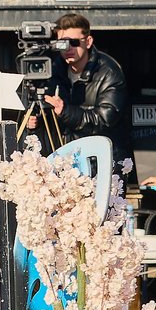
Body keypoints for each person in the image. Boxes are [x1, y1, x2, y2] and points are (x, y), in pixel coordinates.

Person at [26, 13, 136, 184]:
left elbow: (105, 120)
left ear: (88, 41)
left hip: (101, 164)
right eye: (62, 43)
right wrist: (35, 121)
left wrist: (65, 111)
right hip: (63, 161)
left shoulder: (109, 71)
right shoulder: (52, 70)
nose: (68, 48)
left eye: (74, 42)